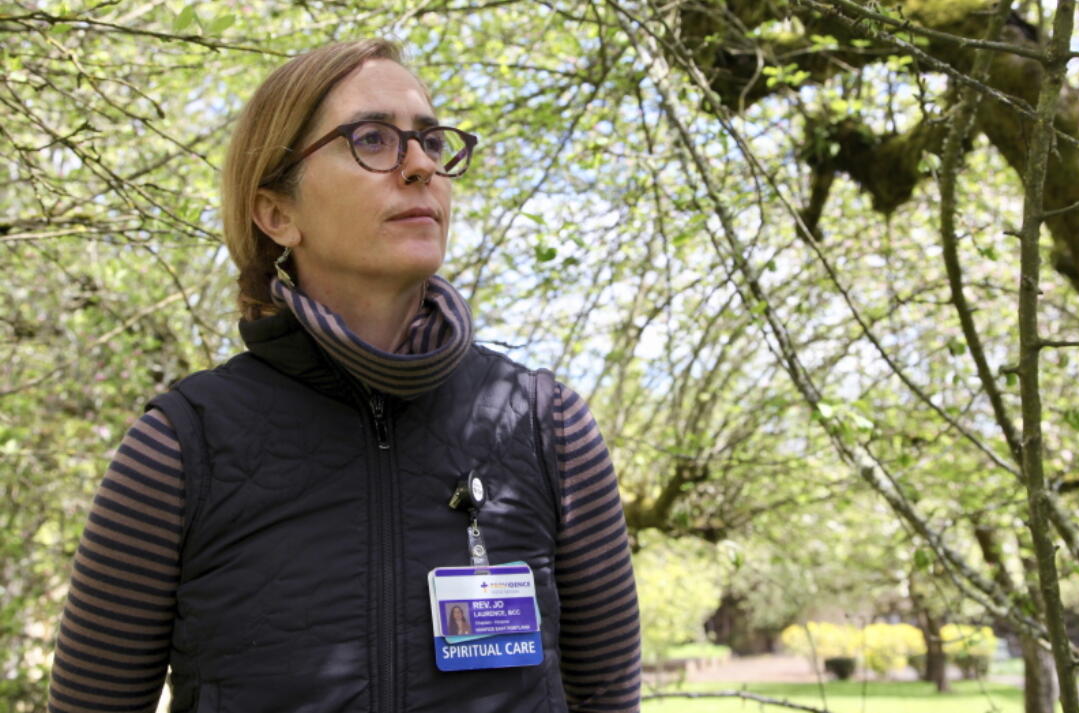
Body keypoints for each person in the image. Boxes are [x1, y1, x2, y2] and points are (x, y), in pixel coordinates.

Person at [48, 39, 641, 713]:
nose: (420, 165)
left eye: (431, 141)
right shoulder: (181, 450)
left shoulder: (546, 426)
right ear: (277, 212)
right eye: (372, 139)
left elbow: (607, 698)